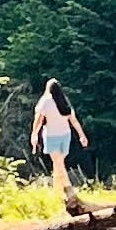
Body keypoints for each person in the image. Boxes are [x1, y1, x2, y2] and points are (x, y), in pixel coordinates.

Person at [30, 75, 87, 206]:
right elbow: (74, 121)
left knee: (59, 165)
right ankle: (57, 195)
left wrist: (34, 134)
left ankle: (69, 191)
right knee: (58, 165)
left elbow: (38, 121)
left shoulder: (45, 101)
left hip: (52, 137)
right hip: (65, 136)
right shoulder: (64, 102)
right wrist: (81, 135)